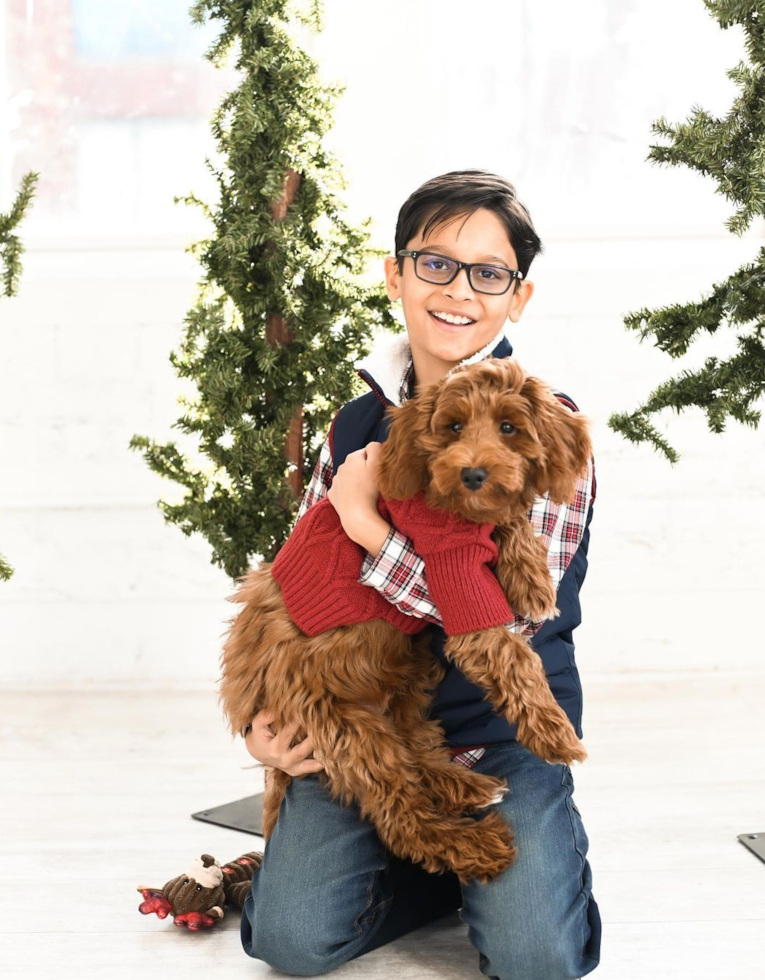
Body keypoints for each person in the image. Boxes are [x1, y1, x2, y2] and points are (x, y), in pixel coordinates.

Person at [239, 170, 602, 980]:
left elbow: (504, 617)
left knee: (536, 958)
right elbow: (303, 587)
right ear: (396, 273)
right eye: (435, 263)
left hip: (501, 730)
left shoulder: (550, 426)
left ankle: (523, 879)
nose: (458, 291)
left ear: (520, 295)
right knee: (289, 941)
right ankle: (431, 879)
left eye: (488, 273)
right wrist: (262, 720)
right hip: (370, 717)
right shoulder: (357, 422)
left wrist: (367, 522)